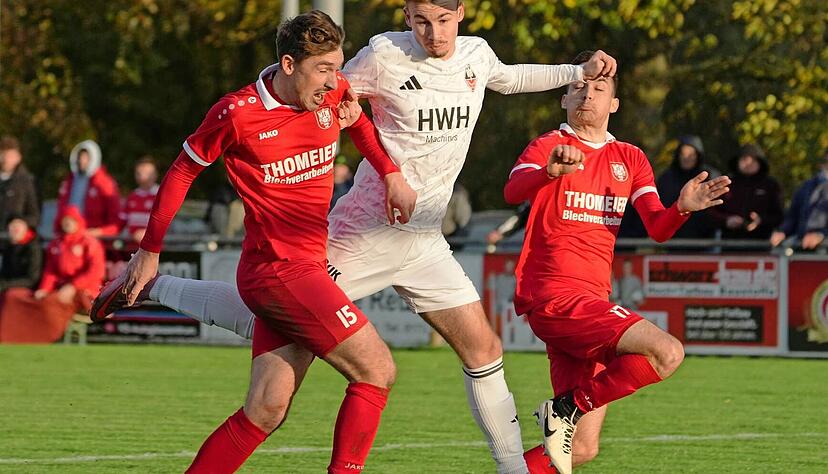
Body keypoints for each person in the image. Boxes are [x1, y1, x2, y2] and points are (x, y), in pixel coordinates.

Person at [94, 2, 617, 472]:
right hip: (361, 236)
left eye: (442, 20)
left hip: (424, 239)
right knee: (292, 353)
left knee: (482, 348)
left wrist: (578, 71)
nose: (433, 33)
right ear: (406, 16)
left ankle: (513, 470)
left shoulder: (473, 57)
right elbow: (325, 91)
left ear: (461, 13)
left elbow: (509, 77)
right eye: (421, 20)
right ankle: (157, 286)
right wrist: (150, 250)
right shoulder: (380, 56)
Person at [95, 11, 415, 473]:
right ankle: (153, 283)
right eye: (323, 69)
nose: (334, 80)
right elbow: (183, 171)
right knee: (377, 369)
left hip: (303, 267)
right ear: (288, 65)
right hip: (280, 272)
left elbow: (359, 125)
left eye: (336, 67)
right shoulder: (238, 113)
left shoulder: (331, 91)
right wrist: (149, 250)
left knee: (266, 408)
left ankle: (156, 289)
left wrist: (390, 175)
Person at [503, 50, 730, 474]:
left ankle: (548, 432)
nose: (587, 95)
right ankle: (566, 408)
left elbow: (657, 228)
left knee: (580, 448)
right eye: (578, 87)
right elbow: (513, 191)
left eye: (598, 88)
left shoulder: (630, 158)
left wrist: (681, 208)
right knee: (667, 352)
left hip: (591, 301)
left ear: (614, 103)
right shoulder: (550, 146)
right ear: (564, 99)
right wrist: (548, 172)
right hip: (554, 297)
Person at [0, 206, 104, 343]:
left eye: (71, 220)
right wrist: (44, 288)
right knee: (34, 299)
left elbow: (95, 271)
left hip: (84, 292)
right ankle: (20, 335)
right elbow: (51, 271)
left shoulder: (89, 242)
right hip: (60, 289)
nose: (68, 224)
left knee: (50, 303)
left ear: (78, 221)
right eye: (65, 220)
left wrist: (73, 286)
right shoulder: (57, 244)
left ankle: (43, 337)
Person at [710, 144, 782, 240]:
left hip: (761, 242)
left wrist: (760, 220)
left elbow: (779, 216)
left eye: (753, 160)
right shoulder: (727, 183)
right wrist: (726, 220)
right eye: (744, 159)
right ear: (737, 162)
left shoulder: (770, 185)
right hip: (729, 242)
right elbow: (711, 211)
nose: (748, 163)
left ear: (760, 162)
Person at [654, 135, 720, 239]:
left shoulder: (709, 176)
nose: (686, 158)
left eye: (691, 154)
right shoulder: (666, 178)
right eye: (683, 154)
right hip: (672, 238)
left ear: (698, 155)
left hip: (704, 238)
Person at [56, 140, 122, 237]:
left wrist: (99, 232)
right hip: (70, 236)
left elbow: (115, 220)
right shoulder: (69, 181)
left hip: (93, 238)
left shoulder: (104, 183)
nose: (82, 161)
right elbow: (61, 209)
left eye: (86, 157)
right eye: (80, 157)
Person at [771, 149, 828, 249]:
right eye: (825, 160)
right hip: (801, 244)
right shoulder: (808, 186)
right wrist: (783, 231)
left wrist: (821, 234)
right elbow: (793, 215)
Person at [0, 136, 40, 229]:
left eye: (10, 156)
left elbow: (35, 216)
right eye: (3, 155)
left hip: (15, 236)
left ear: (18, 157)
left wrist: (20, 223)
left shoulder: (28, 181)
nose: (5, 160)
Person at [121, 156, 159, 243]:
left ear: (155, 175)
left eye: (147, 173)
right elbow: (122, 222)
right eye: (139, 173)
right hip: (130, 245)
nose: (142, 176)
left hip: (152, 246)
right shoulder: (132, 196)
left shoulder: (161, 195)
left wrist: (148, 234)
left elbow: (166, 224)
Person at [0, 216, 42, 294]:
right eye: (12, 225)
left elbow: (32, 279)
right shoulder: (9, 248)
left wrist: (4, 285)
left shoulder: (34, 247)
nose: (15, 228)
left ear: (26, 228)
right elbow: (4, 274)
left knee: (10, 295)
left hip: (30, 289)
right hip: (11, 286)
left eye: (19, 225)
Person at [441, 181, 472, 248]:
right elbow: (462, 218)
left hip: (445, 235)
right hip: (447, 234)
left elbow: (462, 218)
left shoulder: (457, 192)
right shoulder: (458, 192)